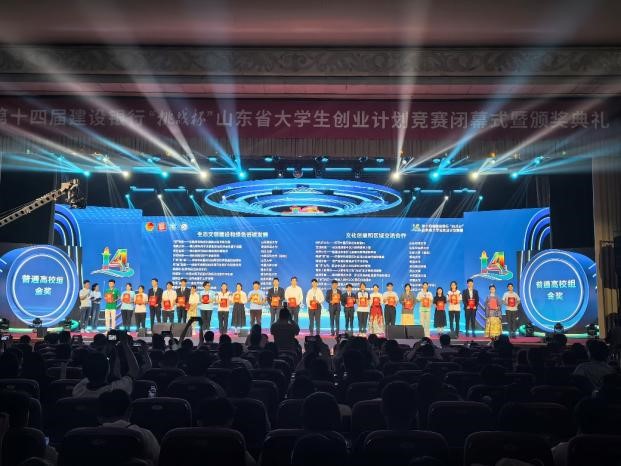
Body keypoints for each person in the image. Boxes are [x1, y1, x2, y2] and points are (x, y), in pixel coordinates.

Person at [72, 334, 147, 397]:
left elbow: (92, 370)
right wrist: (125, 344)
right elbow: (134, 370)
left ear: (84, 372)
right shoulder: (115, 390)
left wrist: (107, 347)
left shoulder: (78, 390)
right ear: (108, 370)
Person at [98, 389, 160, 464]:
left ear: (99, 416)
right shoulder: (146, 435)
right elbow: (158, 460)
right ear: (129, 411)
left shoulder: (87, 437)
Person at [196, 397, 257, 466]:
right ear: (230, 421)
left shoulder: (189, 440)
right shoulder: (235, 441)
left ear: (199, 422)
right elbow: (252, 464)